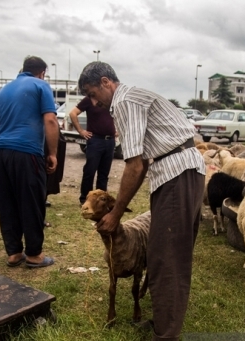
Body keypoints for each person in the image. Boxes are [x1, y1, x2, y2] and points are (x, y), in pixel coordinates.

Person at [78, 62, 205, 341]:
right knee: (164, 253)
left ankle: (166, 333)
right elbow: (144, 162)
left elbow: (135, 165)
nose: (94, 102)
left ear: (106, 82)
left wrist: (116, 214)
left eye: (93, 93)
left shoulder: (124, 101)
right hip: (178, 171)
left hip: (177, 173)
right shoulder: (133, 96)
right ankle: (164, 322)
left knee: (168, 257)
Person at [0, 56, 58, 268]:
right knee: (31, 202)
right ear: (42, 72)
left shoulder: (3, 91)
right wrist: (53, 153)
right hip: (27, 152)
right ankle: (34, 255)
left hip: (1, 153)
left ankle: (13, 253)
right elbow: (50, 120)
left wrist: (1, 149)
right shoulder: (41, 85)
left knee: (7, 202)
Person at [69, 96, 116, 205]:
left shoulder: (111, 99)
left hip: (110, 141)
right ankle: (85, 199)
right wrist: (81, 131)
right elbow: (73, 113)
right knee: (90, 171)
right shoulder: (89, 99)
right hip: (95, 140)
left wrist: (117, 129)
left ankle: (101, 200)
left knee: (104, 173)